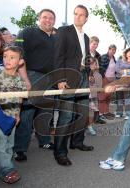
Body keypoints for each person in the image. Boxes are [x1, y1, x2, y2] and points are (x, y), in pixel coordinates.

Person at [14, 9, 56, 161]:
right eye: (45, 17)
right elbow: (17, 56)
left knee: (46, 113)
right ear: (39, 19)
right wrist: (25, 79)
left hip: (51, 80)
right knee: (27, 114)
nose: (48, 20)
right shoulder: (27, 32)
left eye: (51, 18)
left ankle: (44, 142)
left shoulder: (55, 38)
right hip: (32, 76)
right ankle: (19, 148)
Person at [54, 4, 94, 166]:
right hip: (68, 78)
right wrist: (60, 79)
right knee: (66, 115)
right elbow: (58, 56)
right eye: (76, 14)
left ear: (86, 18)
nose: (78, 17)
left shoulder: (85, 37)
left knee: (83, 113)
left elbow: (84, 57)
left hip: (83, 76)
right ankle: (60, 152)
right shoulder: (64, 31)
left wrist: (89, 72)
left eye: (81, 15)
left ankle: (77, 142)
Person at [0, 46, 27, 183]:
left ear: (20, 62)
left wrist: (17, 115)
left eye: (12, 57)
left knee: (9, 144)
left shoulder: (20, 80)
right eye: (5, 56)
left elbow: (20, 99)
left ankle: (2, 167)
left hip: (12, 118)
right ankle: (6, 169)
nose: (7, 60)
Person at [89, 36, 105, 124]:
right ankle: (87, 121)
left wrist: (99, 75)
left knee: (97, 97)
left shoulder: (98, 55)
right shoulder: (85, 53)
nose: (95, 46)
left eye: (97, 44)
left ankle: (96, 117)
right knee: (88, 98)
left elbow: (99, 67)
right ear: (90, 43)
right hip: (87, 77)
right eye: (94, 44)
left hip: (97, 77)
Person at [99, 44, 117, 120]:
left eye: (115, 50)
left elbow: (114, 69)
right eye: (112, 50)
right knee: (102, 96)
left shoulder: (113, 58)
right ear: (109, 49)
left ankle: (106, 112)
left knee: (108, 97)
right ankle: (100, 113)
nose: (113, 51)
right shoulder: (104, 57)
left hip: (112, 79)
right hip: (104, 78)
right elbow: (100, 68)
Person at [88, 57, 102, 135]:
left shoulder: (98, 75)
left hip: (93, 97)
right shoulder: (84, 73)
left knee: (91, 113)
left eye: (94, 63)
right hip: (83, 96)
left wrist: (93, 83)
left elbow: (99, 89)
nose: (93, 65)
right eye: (91, 63)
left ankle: (90, 126)